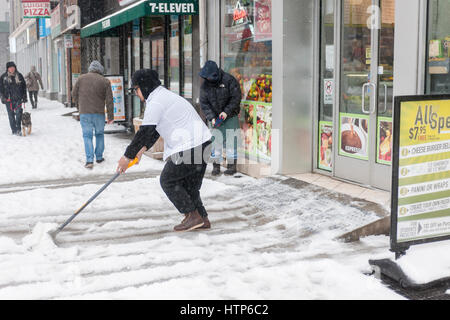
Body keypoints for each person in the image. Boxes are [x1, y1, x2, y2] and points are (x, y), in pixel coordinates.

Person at [116, 69, 212, 232]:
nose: (137, 94)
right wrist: (141, 150)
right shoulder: (164, 96)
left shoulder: (156, 102)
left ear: (144, 87)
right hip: (203, 142)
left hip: (191, 145)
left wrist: (127, 157)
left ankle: (192, 215)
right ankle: (201, 218)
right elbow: (154, 131)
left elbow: (144, 132)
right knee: (189, 186)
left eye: (136, 89)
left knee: (168, 180)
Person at [199, 60, 242, 176]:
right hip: (215, 119)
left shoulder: (229, 80)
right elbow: (204, 104)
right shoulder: (204, 86)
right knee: (215, 143)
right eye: (207, 78)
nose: (209, 80)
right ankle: (216, 167)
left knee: (231, 142)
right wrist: (211, 117)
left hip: (230, 116)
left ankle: (232, 167)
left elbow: (236, 97)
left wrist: (226, 112)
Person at [72, 61, 114, 169]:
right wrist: (110, 116)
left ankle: (89, 160)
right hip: (99, 113)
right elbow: (109, 100)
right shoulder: (105, 81)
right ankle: (99, 157)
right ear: (100, 70)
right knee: (99, 134)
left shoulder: (81, 79)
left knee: (87, 136)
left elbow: (74, 94)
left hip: (85, 113)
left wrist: (79, 106)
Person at [0, 61, 27, 136]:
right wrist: (2, 97)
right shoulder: (3, 77)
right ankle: (14, 130)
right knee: (11, 115)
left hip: (18, 98)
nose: (12, 69)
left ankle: (18, 129)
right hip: (8, 100)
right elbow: (1, 89)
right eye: (10, 68)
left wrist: (24, 96)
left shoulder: (19, 75)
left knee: (18, 114)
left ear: (15, 68)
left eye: (13, 67)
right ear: (7, 69)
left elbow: (24, 87)